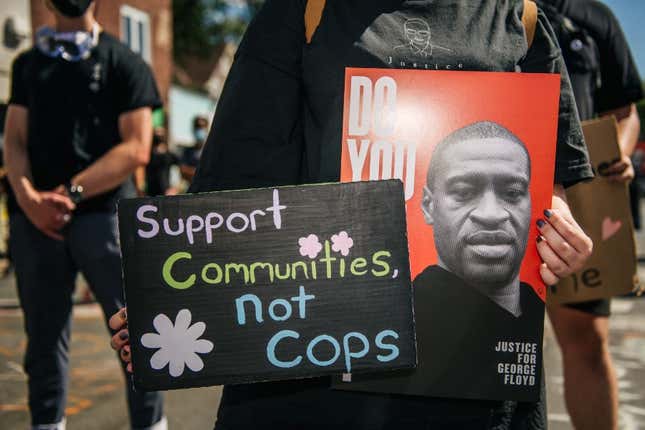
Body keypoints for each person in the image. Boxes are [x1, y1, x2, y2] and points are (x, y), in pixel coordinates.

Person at [111, 1, 594, 428]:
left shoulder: (521, 20)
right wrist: (171, 304)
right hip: (318, 377)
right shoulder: (305, 10)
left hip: (476, 380)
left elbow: (547, 184)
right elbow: (236, 178)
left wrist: (558, 233)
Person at [4, 1, 166, 429]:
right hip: (36, 223)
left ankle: (151, 425)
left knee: (138, 338)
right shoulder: (27, 65)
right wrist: (28, 199)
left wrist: (69, 193)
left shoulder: (125, 62)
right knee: (43, 341)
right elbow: (14, 142)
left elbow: (137, 147)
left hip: (105, 218)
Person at [536, 1, 643, 429]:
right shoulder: (486, 11)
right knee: (483, 348)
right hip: (496, 196)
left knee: (585, 341)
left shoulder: (596, 18)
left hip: (582, 207)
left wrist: (619, 152)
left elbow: (625, 112)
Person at [146, 127, 179, 196]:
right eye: (156, 134)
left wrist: (174, 188)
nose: (158, 136)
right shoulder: (147, 156)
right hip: (150, 193)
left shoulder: (171, 156)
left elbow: (176, 171)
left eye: (161, 134)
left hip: (167, 193)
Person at [180, 115, 208, 183]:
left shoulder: (211, 151)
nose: (200, 130)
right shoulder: (187, 151)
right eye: (197, 127)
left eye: (202, 127)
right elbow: (183, 171)